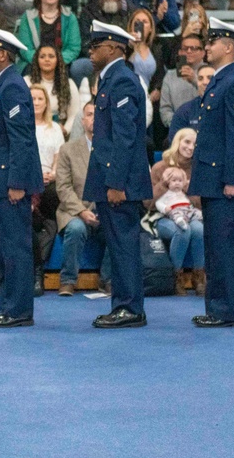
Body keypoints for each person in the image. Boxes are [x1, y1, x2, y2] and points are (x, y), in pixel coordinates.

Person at [83, 21, 152, 328]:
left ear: (112, 48)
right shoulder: (112, 78)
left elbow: (124, 138)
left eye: (95, 46)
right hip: (114, 177)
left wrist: (115, 183)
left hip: (118, 181)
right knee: (119, 244)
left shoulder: (121, 80)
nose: (90, 51)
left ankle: (130, 308)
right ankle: (124, 305)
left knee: (124, 246)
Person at [189, 18, 234, 327]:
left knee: (226, 247)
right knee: (215, 247)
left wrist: (232, 179)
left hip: (226, 180)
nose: (208, 46)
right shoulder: (219, 81)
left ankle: (227, 311)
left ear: (228, 47)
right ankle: (216, 307)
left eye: (213, 42)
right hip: (214, 179)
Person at [0, 26, 43, 328]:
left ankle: (17, 310)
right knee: (7, 246)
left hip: (10, 182)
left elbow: (22, 139)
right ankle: (11, 307)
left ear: (3, 54)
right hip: (4, 179)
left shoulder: (13, 86)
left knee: (15, 247)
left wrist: (18, 182)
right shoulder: (5, 84)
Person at [56, 103, 111, 296]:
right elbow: (63, 187)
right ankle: (68, 280)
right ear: (83, 120)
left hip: (105, 209)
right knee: (76, 228)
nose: (94, 118)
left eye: (99, 114)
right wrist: (81, 211)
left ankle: (108, 280)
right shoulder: (68, 149)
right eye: (90, 114)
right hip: (73, 210)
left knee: (118, 226)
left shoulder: (113, 148)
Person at [147, 128, 205, 295]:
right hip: (162, 215)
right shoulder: (160, 167)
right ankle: (174, 276)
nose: (190, 147)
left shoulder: (198, 168)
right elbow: (147, 203)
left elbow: (202, 204)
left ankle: (199, 275)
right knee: (183, 230)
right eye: (186, 142)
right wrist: (164, 184)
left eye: (195, 144)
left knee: (199, 229)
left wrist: (187, 188)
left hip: (189, 213)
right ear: (177, 142)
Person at [30, 83, 64, 295]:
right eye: (32, 98)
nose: (36, 102)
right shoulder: (22, 126)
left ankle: (37, 270)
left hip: (50, 180)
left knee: (50, 218)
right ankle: (35, 270)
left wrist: (52, 173)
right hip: (27, 180)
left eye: (40, 98)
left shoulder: (56, 129)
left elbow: (60, 158)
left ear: (46, 103)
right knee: (40, 222)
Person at [16, 0, 83, 79]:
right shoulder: (28, 17)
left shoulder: (70, 17)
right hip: (34, 63)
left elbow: (73, 48)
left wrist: (56, 61)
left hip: (62, 63)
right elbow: (25, 48)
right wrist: (42, 61)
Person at [25, 45, 81, 137]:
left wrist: (65, 130)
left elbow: (74, 114)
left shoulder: (69, 84)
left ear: (58, 60)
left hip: (60, 132)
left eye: (51, 56)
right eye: (42, 56)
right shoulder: (26, 82)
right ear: (36, 60)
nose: (47, 59)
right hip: (32, 132)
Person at [77, 0, 129, 66]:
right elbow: (85, 43)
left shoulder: (131, 11)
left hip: (127, 58)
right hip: (97, 60)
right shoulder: (88, 13)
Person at [159, 33, 206, 128]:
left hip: (205, 128)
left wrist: (195, 80)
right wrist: (179, 124)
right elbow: (165, 109)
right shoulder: (170, 76)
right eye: (185, 48)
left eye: (193, 48)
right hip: (178, 131)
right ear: (180, 52)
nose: (189, 51)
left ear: (203, 53)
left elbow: (214, 98)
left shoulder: (210, 72)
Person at [169, 63, 214, 144]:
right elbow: (174, 145)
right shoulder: (184, 111)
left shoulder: (227, 107)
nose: (205, 82)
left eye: (210, 78)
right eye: (200, 78)